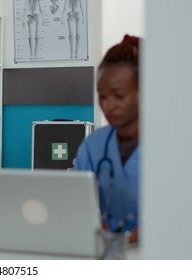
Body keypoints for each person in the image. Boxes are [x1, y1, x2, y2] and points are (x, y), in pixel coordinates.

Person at [74, 35, 140, 242]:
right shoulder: (93, 145)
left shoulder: (176, 146)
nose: (108, 105)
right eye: (102, 96)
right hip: (106, 252)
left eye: (118, 95)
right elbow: (76, 204)